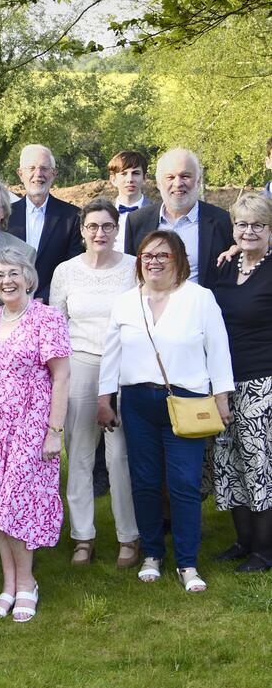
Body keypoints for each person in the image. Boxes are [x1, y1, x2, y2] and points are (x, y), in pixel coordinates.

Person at [99, 230, 235, 592]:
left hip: (188, 401)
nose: (154, 261)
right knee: (144, 481)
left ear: (179, 260)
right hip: (138, 402)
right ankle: (153, 554)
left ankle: (188, 563)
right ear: (139, 262)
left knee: (184, 484)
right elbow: (112, 353)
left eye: (163, 255)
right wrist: (104, 398)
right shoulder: (127, 302)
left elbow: (218, 349)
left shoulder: (199, 298)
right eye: (147, 256)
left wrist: (222, 396)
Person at [0, 247, 71, 622]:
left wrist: (54, 432)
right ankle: (8, 585)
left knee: (17, 503)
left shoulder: (47, 318)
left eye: (13, 273)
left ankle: (27, 584)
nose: (6, 281)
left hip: (32, 422)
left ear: (28, 277)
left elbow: (62, 376)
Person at [48, 199, 141, 568]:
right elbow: (57, 325)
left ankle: (128, 537)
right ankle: (82, 537)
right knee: (81, 454)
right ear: (82, 230)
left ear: (117, 230)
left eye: (107, 226)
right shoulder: (66, 271)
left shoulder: (134, 268)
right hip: (80, 364)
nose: (100, 233)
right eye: (92, 226)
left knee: (119, 456)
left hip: (123, 367)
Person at [209, 194, 272, 571]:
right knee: (228, 460)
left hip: (262, 379)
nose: (249, 231)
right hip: (224, 381)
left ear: (270, 229)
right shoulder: (225, 265)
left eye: (258, 225)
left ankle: (265, 550)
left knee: (259, 463)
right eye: (242, 225)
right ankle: (243, 541)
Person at [124, 148, 234, 286]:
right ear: (158, 183)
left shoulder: (223, 222)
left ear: (198, 181)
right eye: (170, 177)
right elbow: (133, 275)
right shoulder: (137, 221)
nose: (178, 183)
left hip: (200, 306)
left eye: (185, 176)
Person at [6, 144, 84, 299]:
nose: (38, 174)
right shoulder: (5, 215)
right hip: (9, 302)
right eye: (32, 168)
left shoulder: (73, 216)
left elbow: (72, 266)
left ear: (54, 173)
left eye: (44, 168)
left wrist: (45, 297)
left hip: (53, 303)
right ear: (20, 174)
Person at [107, 150, 150, 253]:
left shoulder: (158, 213)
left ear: (145, 178)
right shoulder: (102, 213)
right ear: (113, 179)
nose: (130, 179)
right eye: (124, 173)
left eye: (136, 173)